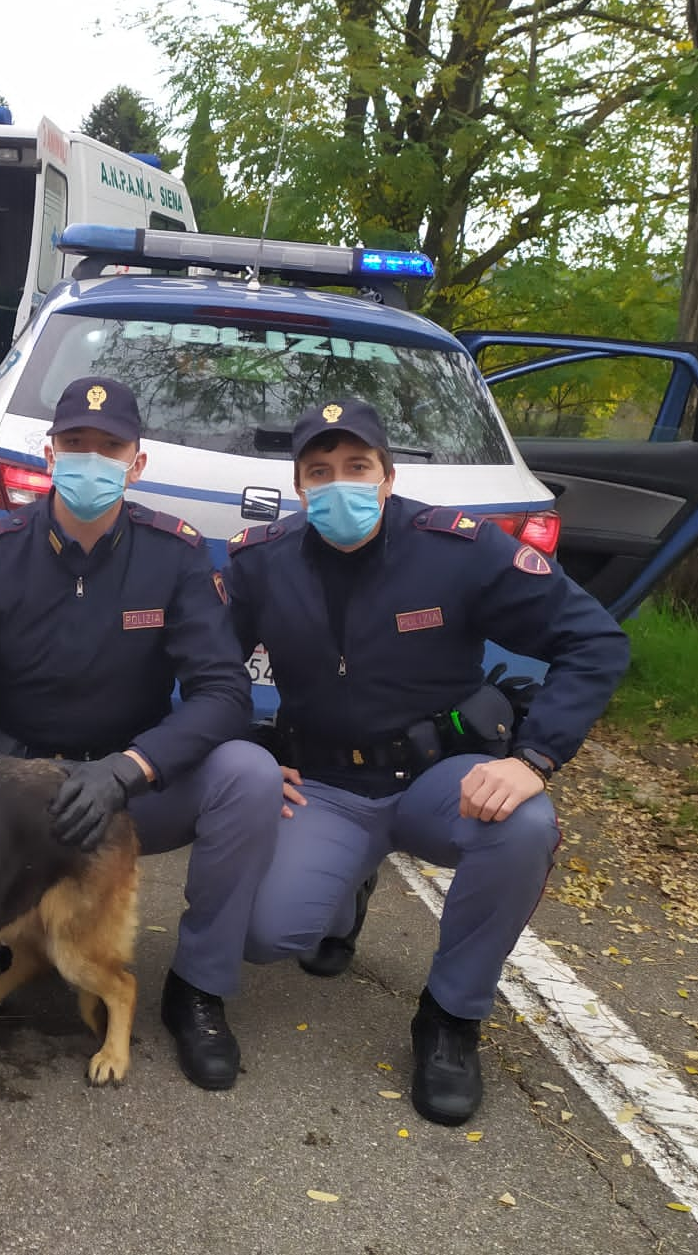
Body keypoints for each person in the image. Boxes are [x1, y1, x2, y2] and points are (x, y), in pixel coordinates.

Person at [223, 398, 630, 1126]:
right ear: (298, 484)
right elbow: (212, 667)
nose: (339, 483)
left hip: (443, 778)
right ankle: (347, 890)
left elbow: (594, 641)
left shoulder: (459, 549)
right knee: (260, 934)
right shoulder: (263, 561)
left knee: (524, 827)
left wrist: (533, 759)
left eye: (357, 467)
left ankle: (450, 1019)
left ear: (387, 476)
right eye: (320, 471)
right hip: (327, 783)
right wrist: (246, 745)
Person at [0, 375, 286, 1092]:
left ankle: (198, 990)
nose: (90, 459)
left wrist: (131, 767)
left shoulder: (176, 555)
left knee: (248, 777)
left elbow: (223, 691)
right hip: (12, 786)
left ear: (136, 464)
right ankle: (2, 941)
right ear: (49, 453)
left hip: (126, 780)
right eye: (75, 444)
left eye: (109, 447)